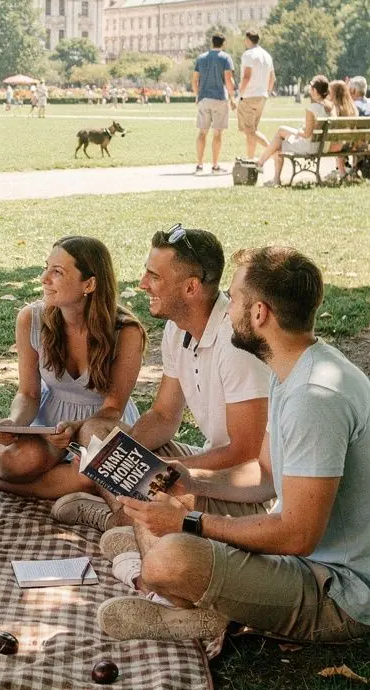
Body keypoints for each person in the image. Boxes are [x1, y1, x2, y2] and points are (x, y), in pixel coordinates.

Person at [97, 246, 370, 646]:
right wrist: (194, 484)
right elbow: (264, 475)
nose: (227, 309)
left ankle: (194, 608)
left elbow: (297, 535)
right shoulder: (294, 367)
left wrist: (189, 523)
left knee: (172, 559)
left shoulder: (314, 397)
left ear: (259, 314)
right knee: (155, 496)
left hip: (340, 593)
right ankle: (176, 583)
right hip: (303, 559)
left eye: (236, 299)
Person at [53, 225, 270, 533]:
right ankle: (123, 518)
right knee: (97, 431)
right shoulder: (177, 327)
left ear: (191, 288)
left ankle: (122, 523)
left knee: (159, 487)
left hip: (244, 488)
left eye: (154, 277)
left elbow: (244, 453)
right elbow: (164, 416)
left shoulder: (235, 343)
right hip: (208, 465)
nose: (143, 284)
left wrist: (162, 472)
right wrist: (113, 457)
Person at [0, 238, 145, 503]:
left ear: (89, 284)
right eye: (46, 267)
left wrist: (77, 428)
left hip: (100, 423)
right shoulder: (31, 318)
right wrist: (15, 423)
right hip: (50, 420)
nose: (43, 278)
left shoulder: (126, 332)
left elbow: (113, 408)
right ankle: (10, 475)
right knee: (16, 463)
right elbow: (28, 394)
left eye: (57, 272)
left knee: (89, 475)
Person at [257, 75, 331, 187]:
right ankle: (264, 168)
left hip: (309, 147)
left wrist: (295, 132)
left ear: (315, 91)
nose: (310, 91)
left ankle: (262, 166)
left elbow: (306, 134)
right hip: (321, 146)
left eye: (311, 88)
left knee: (279, 140)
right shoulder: (329, 107)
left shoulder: (312, 108)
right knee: (280, 136)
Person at [192, 33, 234, 175]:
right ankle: (215, 166)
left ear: (212, 43)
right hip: (219, 99)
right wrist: (232, 97)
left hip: (204, 99)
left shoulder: (201, 58)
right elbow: (228, 80)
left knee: (202, 132)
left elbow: (194, 80)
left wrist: (198, 95)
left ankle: (199, 165)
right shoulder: (225, 58)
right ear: (223, 43)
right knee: (217, 133)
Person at [237, 31, 275, 159]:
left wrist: (240, 93)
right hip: (262, 96)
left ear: (248, 39)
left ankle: (273, 151)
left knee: (249, 130)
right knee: (252, 131)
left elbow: (246, 76)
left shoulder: (248, 55)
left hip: (249, 95)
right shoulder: (267, 55)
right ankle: (250, 159)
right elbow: (272, 78)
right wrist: (267, 93)